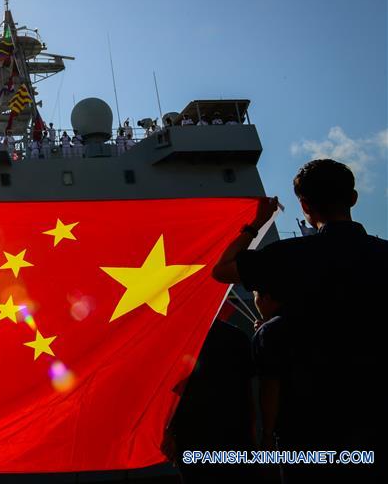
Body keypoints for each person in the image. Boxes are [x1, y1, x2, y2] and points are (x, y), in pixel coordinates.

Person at [213, 159, 384, 482]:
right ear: (354, 198)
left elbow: (222, 270)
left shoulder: (286, 256)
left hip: (310, 429)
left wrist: (255, 225)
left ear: (304, 205)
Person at [164, 314, 255, 484]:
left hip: (193, 434)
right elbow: (247, 390)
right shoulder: (237, 337)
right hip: (234, 432)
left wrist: (168, 431)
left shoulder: (181, 338)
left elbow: (171, 393)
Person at [252, 289, 286, 453]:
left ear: (265, 298)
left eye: (255, 296)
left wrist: (267, 434)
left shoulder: (270, 333)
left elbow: (270, 386)